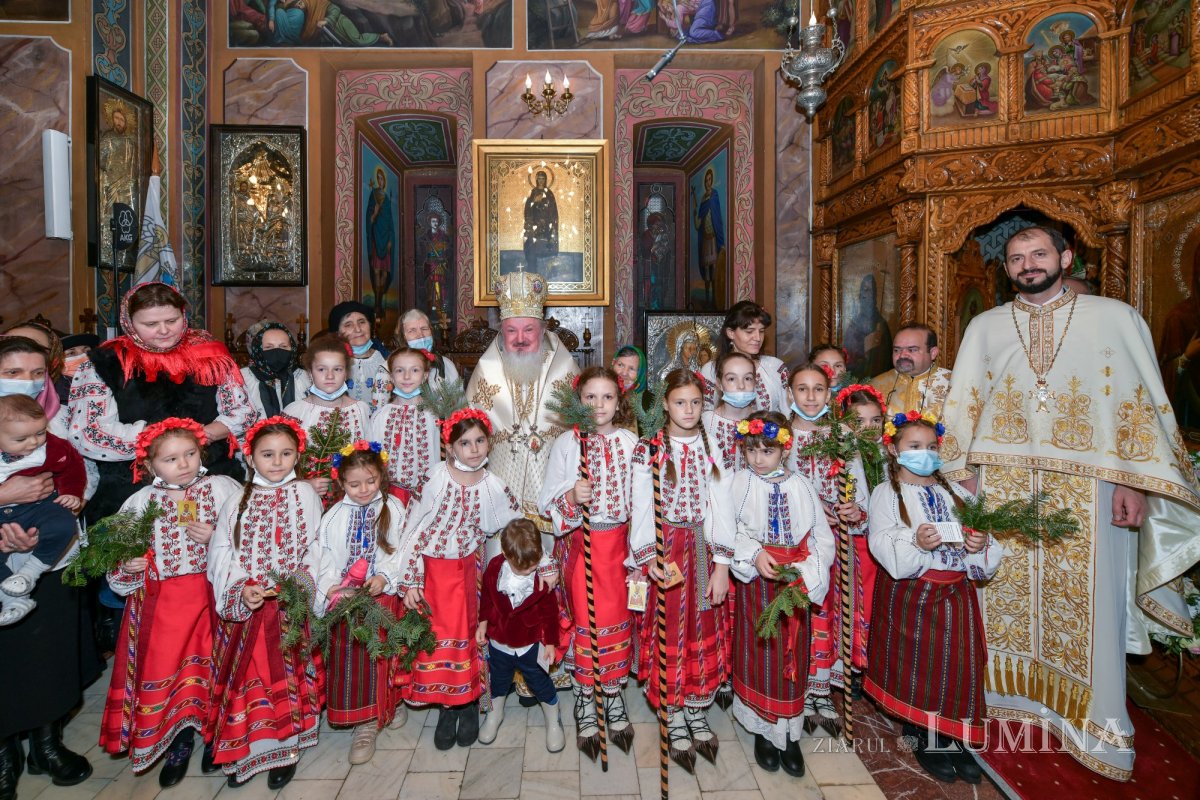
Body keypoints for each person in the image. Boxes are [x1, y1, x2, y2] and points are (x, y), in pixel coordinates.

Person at [940, 224, 1200, 780]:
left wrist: (1134, 482)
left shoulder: (1114, 318)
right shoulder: (984, 327)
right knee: (999, 593)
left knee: (1091, 603)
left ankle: (1096, 723)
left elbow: (1139, 407)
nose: (1028, 264)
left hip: (1091, 489)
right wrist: (964, 482)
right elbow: (964, 407)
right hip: (1003, 484)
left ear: (1065, 256)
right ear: (1005, 269)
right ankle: (1001, 702)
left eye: (1038, 254)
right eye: (1016, 258)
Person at [100, 418, 242, 787]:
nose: (183, 464)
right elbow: (120, 552)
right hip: (165, 604)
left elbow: (249, 536)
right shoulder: (141, 501)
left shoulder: (224, 488)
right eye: (170, 459)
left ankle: (216, 738)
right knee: (171, 670)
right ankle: (179, 740)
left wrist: (217, 537)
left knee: (216, 668)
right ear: (149, 466)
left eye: (190, 454)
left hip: (213, 598)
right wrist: (129, 563)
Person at [866, 410, 1002, 784]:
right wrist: (915, 541)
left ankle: (954, 736)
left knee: (957, 666)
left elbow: (980, 533)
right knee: (920, 666)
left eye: (930, 446)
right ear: (893, 450)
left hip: (955, 591)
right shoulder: (886, 494)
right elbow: (881, 540)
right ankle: (922, 732)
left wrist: (979, 543)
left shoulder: (954, 492)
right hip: (913, 592)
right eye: (914, 446)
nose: (924, 453)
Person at [396, 408, 529, 750]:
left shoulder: (493, 485)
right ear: (450, 447)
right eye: (465, 442)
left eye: (480, 441)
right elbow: (412, 529)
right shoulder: (436, 477)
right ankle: (445, 706)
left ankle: (468, 702)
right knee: (436, 636)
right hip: (432, 573)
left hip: (469, 571)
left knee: (470, 634)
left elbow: (515, 525)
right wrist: (410, 579)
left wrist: (523, 568)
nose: (474, 449)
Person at [67, 281, 257, 521]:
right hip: (135, 485)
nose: (164, 330)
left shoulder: (209, 353)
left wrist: (203, 434)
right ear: (129, 322)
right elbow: (88, 433)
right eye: (150, 324)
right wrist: (162, 442)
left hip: (209, 477)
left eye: (172, 320)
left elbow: (242, 411)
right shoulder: (104, 363)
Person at [207, 416, 324, 790]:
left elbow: (317, 546)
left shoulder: (306, 494)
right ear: (251, 456)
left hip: (288, 608)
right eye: (268, 454)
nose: (277, 462)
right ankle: (247, 747)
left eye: (286, 453)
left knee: (287, 677)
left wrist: (299, 582)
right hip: (249, 610)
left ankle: (287, 747)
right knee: (247, 678)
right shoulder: (236, 500)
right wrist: (241, 587)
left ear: (297, 456)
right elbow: (222, 550)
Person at [629, 369, 730, 771]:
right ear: (665, 405)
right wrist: (646, 555)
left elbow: (721, 507)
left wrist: (722, 565)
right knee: (669, 626)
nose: (688, 410)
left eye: (695, 402)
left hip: (702, 547)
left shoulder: (713, 446)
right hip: (665, 549)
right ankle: (673, 709)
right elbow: (640, 506)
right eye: (679, 402)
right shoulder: (649, 448)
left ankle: (697, 705)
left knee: (703, 622)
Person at [725, 410, 835, 777]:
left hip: (795, 581)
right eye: (752, 450)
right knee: (762, 650)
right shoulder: (739, 482)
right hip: (758, 581)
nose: (758, 458)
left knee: (793, 653)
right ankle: (762, 728)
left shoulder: (801, 485)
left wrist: (807, 574)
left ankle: (788, 732)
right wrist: (754, 554)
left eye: (767, 451)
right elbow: (727, 528)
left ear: (785, 450)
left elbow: (820, 537)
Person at [538, 366, 638, 757]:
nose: (599, 405)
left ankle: (611, 693)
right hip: (582, 547)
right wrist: (572, 497)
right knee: (586, 619)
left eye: (607, 397)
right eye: (590, 397)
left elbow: (644, 498)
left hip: (621, 548)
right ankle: (585, 697)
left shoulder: (631, 441)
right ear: (577, 402)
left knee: (617, 618)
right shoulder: (568, 443)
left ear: (619, 401)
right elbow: (549, 499)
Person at [785, 363, 869, 732]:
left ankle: (821, 689)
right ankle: (797, 687)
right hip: (794, 542)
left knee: (828, 612)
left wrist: (854, 510)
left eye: (818, 389)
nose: (810, 396)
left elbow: (858, 486)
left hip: (835, 541)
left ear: (829, 394)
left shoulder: (843, 435)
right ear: (789, 393)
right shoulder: (781, 434)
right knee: (797, 613)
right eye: (802, 389)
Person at [314, 442, 409, 765]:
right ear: (341, 483)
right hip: (346, 601)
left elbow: (402, 550)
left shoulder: (393, 509)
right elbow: (324, 558)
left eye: (370, 481)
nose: (364, 489)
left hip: (381, 598)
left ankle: (389, 706)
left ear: (381, 476)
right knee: (355, 663)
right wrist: (330, 588)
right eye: (354, 484)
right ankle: (364, 719)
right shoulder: (333, 517)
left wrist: (384, 576)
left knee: (386, 658)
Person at [466, 269, 578, 540]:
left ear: (542, 329)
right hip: (500, 486)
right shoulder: (486, 369)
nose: (520, 339)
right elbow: (469, 430)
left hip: (549, 484)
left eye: (529, 329)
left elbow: (581, 430)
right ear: (502, 332)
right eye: (511, 330)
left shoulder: (565, 369)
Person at [476, 518, 566, 753]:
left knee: (538, 680)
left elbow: (550, 613)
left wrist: (550, 643)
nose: (529, 571)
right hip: (499, 642)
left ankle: (553, 714)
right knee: (499, 680)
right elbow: (486, 597)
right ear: (506, 554)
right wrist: (483, 624)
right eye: (523, 568)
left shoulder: (541, 577)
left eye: (533, 566)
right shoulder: (495, 569)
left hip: (529, 643)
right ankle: (496, 713)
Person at [0, 396, 84, 625]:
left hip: (39, 507)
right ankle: (12, 600)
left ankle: (30, 573)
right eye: (21, 438)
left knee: (63, 524)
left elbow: (73, 466)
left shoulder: (54, 447)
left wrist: (71, 492)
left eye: (40, 433)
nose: (33, 443)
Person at [369, 346, 442, 507]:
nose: (407, 376)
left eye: (415, 370)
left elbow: (436, 456)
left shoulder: (432, 415)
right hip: (388, 496)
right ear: (391, 377)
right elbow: (372, 457)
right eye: (400, 370)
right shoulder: (381, 416)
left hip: (424, 496)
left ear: (425, 376)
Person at [699, 301, 789, 414]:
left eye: (761, 331)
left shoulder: (775, 367)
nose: (757, 338)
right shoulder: (711, 370)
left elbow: (788, 413)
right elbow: (705, 414)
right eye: (749, 331)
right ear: (731, 333)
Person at [284, 332, 371, 445]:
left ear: (346, 373)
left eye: (337, 369)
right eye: (321, 369)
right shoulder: (294, 411)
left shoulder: (361, 410)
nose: (330, 376)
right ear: (310, 373)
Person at [869, 322, 952, 417]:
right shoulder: (875, 386)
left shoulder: (952, 384)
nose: (902, 355)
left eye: (912, 350)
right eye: (897, 350)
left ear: (933, 353)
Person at [240, 322, 311, 420]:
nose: (277, 352)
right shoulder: (243, 379)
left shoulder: (305, 378)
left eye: (283, 347)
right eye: (269, 347)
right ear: (257, 350)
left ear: (292, 348)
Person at [328, 301, 390, 410]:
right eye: (348, 325)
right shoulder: (329, 364)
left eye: (362, 322)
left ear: (370, 326)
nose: (357, 329)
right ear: (337, 333)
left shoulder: (387, 360)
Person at [703, 351, 758, 473]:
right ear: (720, 384)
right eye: (732, 379)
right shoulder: (706, 421)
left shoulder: (763, 422)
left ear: (755, 382)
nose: (741, 386)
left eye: (748, 378)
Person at [3, 321, 65, 413]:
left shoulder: (68, 419)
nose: (23, 351)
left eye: (36, 348)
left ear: (53, 362)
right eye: (11, 345)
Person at [395, 309, 459, 388]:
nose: (421, 335)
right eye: (412, 330)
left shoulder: (446, 365)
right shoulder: (391, 367)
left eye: (424, 329)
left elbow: (459, 398)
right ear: (403, 337)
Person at [691, 168, 726, 306]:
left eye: (709, 179)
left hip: (713, 238)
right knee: (706, 270)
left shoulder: (714, 196)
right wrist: (694, 213)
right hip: (705, 239)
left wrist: (721, 241)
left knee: (715, 269)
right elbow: (698, 225)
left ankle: (715, 299)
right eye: (706, 180)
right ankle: (707, 298)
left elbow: (717, 218)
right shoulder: (703, 199)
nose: (707, 182)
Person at [523, 171, 559, 270]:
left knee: (546, 247)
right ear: (536, 179)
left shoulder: (549, 193)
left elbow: (553, 211)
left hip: (546, 225)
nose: (541, 181)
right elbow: (527, 210)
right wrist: (534, 201)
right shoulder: (533, 192)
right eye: (539, 178)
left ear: (546, 180)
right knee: (533, 248)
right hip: (535, 225)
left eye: (543, 178)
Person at [60, 332, 100, 403]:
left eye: (87, 351)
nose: (83, 356)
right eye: (72, 353)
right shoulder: (57, 391)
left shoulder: (102, 378)